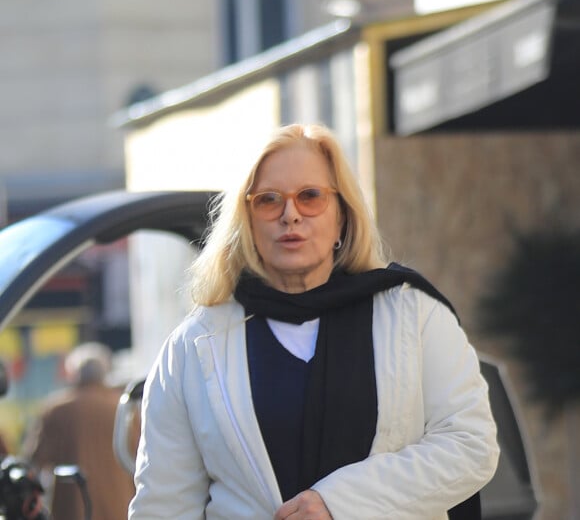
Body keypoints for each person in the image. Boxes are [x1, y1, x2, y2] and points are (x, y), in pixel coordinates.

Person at [130, 123, 500, 519]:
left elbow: (470, 445)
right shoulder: (192, 347)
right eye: (268, 200)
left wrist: (339, 503)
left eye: (310, 197)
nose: (290, 215)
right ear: (247, 221)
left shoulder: (416, 317)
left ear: (341, 216)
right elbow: (164, 506)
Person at [22, 342, 136, 520]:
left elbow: (34, 460)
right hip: (120, 507)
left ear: (73, 373)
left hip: (73, 508)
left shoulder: (56, 410)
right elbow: (143, 458)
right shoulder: (125, 408)